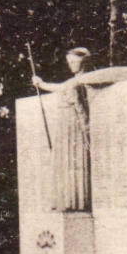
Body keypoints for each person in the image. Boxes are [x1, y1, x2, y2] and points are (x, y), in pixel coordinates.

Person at [32, 47, 92, 212]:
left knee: (74, 160)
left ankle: (76, 200)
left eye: (74, 61)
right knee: (66, 160)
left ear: (83, 61)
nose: (71, 65)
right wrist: (42, 84)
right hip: (67, 125)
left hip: (75, 126)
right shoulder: (75, 81)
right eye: (69, 62)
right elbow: (64, 87)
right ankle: (68, 199)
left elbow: (78, 105)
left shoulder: (83, 80)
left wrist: (87, 132)